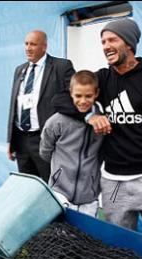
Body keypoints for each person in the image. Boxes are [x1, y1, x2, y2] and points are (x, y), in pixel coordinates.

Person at [58, 18, 142, 243]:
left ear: (129, 44)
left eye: (112, 39)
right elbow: (61, 99)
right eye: (103, 41)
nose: (105, 46)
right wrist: (90, 115)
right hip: (113, 183)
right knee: (119, 250)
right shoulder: (102, 79)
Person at [6, 30, 75, 182]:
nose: (28, 48)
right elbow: (14, 106)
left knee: (51, 185)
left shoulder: (61, 67)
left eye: (33, 44)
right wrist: (11, 141)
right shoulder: (20, 70)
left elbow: (74, 100)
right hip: (22, 140)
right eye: (26, 44)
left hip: (46, 139)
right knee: (27, 186)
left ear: (44, 47)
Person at [40, 71, 108, 217]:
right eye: (78, 96)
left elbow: (102, 154)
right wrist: (59, 172)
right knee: (59, 237)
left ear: (96, 93)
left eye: (88, 96)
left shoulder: (102, 122)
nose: (83, 101)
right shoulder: (56, 121)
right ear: (71, 93)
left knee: (86, 238)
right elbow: (45, 151)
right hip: (59, 192)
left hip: (89, 197)